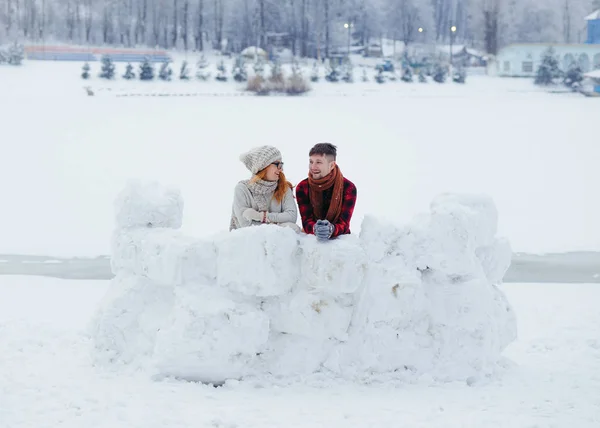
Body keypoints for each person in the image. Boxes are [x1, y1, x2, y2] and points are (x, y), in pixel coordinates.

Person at [295, 143, 357, 241]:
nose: (313, 167)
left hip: (340, 242)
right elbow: (306, 221)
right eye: (311, 162)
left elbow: (344, 224)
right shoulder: (302, 187)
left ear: (332, 165)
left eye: (318, 162)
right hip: (312, 242)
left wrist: (331, 229)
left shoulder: (348, 187)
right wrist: (315, 228)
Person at [230, 145, 300, 232]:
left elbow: (291, 216)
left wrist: (262, 217)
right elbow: (245, 225)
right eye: (277, 164)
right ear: (263, 166)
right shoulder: (242, 189)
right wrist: (281, 226)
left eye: (281, 164)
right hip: (247, 243)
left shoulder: (283, 188)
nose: (281, 169)